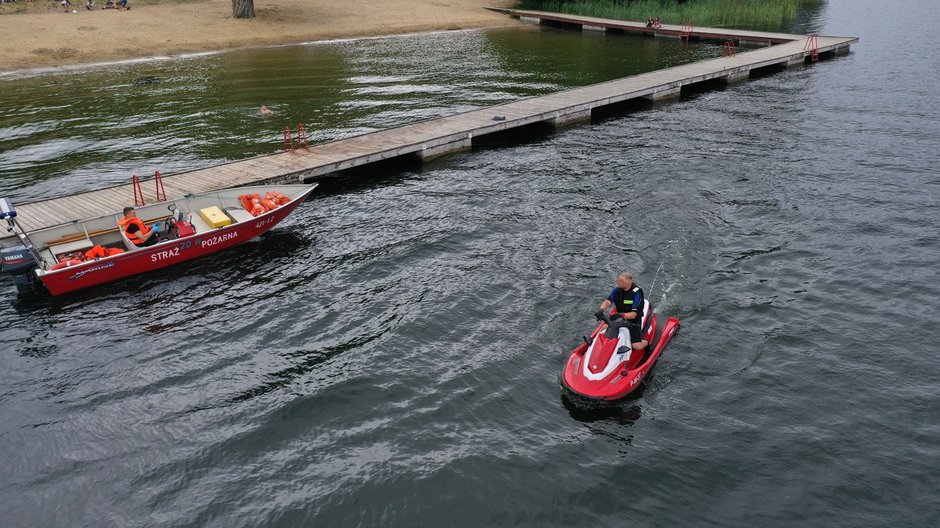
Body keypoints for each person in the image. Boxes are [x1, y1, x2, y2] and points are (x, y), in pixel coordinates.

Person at [595, 272, 647, 350]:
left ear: (627, 283)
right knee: (602, 329)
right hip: (619, 317)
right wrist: (601, 310)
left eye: (620, 281)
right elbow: (608, 301)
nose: (617, 282)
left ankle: (646, 342)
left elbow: (633, 315)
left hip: (633, 321)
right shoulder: (616, 290)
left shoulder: (636, 294)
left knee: (636, 346)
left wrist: (620, 315)